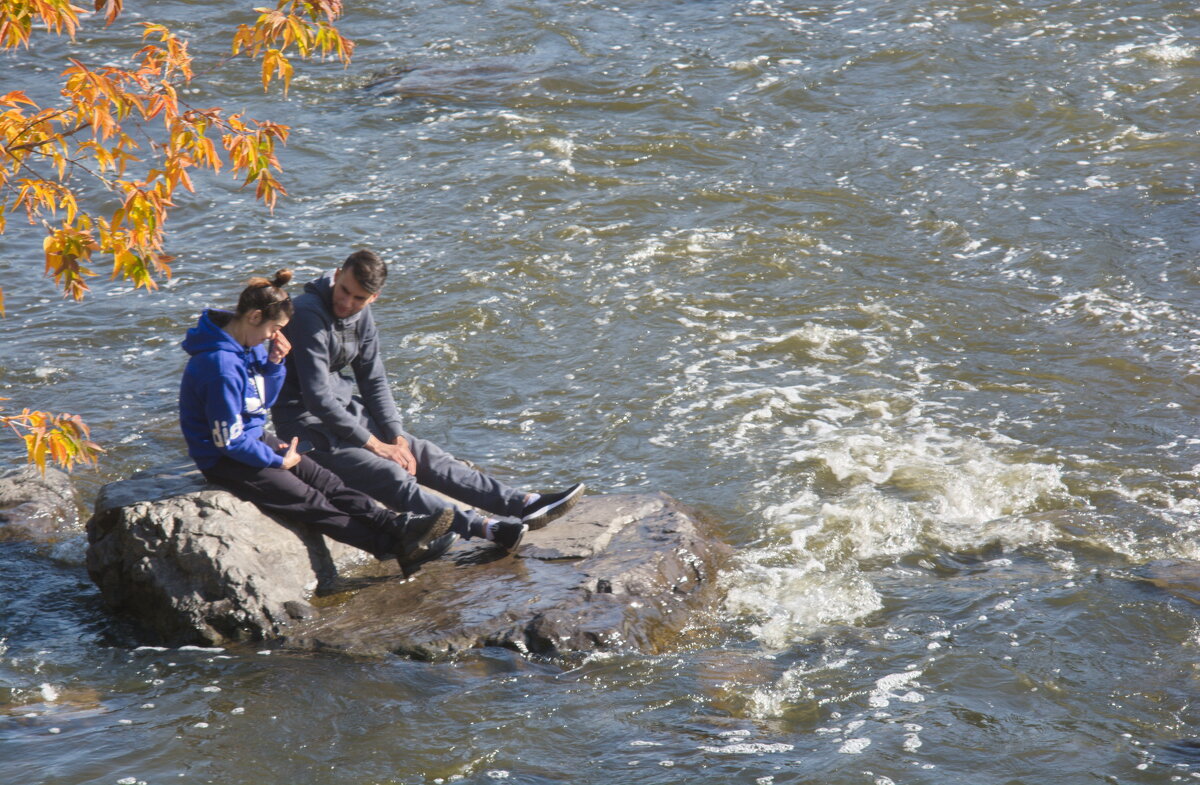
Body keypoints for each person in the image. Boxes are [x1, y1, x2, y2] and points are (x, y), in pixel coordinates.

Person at [271, 250, 585, 552]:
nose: (347, 302)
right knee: (389, 474)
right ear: (337, 276)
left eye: (359, 299)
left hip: (346, 412)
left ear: (374, 298)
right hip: (304, 426)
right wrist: (378, 447)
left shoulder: (361, 315)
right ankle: (486, 528)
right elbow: (318, 399)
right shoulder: (309, 313)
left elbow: (373, 380)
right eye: (344, 291)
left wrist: (395, 437)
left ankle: (525, 504)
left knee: (423, 454)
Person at [178, 269, 458, 578]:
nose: (275, 337)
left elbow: (262, 402)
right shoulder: (219, 366)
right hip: (224, 459)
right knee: (307, 499)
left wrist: (274, 365)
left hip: (254, 438)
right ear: (255, 317)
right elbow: (227, 441)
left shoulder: (250, 344)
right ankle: (391, 547)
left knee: (326, 481)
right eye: (275, 329)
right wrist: (276, 460)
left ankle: (397, 526)